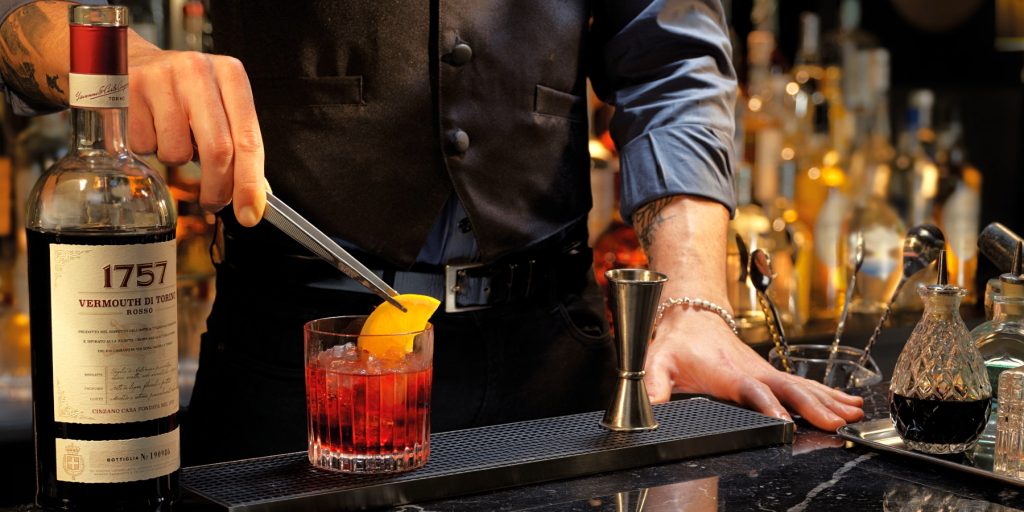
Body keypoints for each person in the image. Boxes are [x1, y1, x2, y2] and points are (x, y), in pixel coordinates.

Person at [0, 0, 863, 464]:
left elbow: (672, 59)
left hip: (556, 372)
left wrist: (698, 301)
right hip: (291, 371)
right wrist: (125, 63)